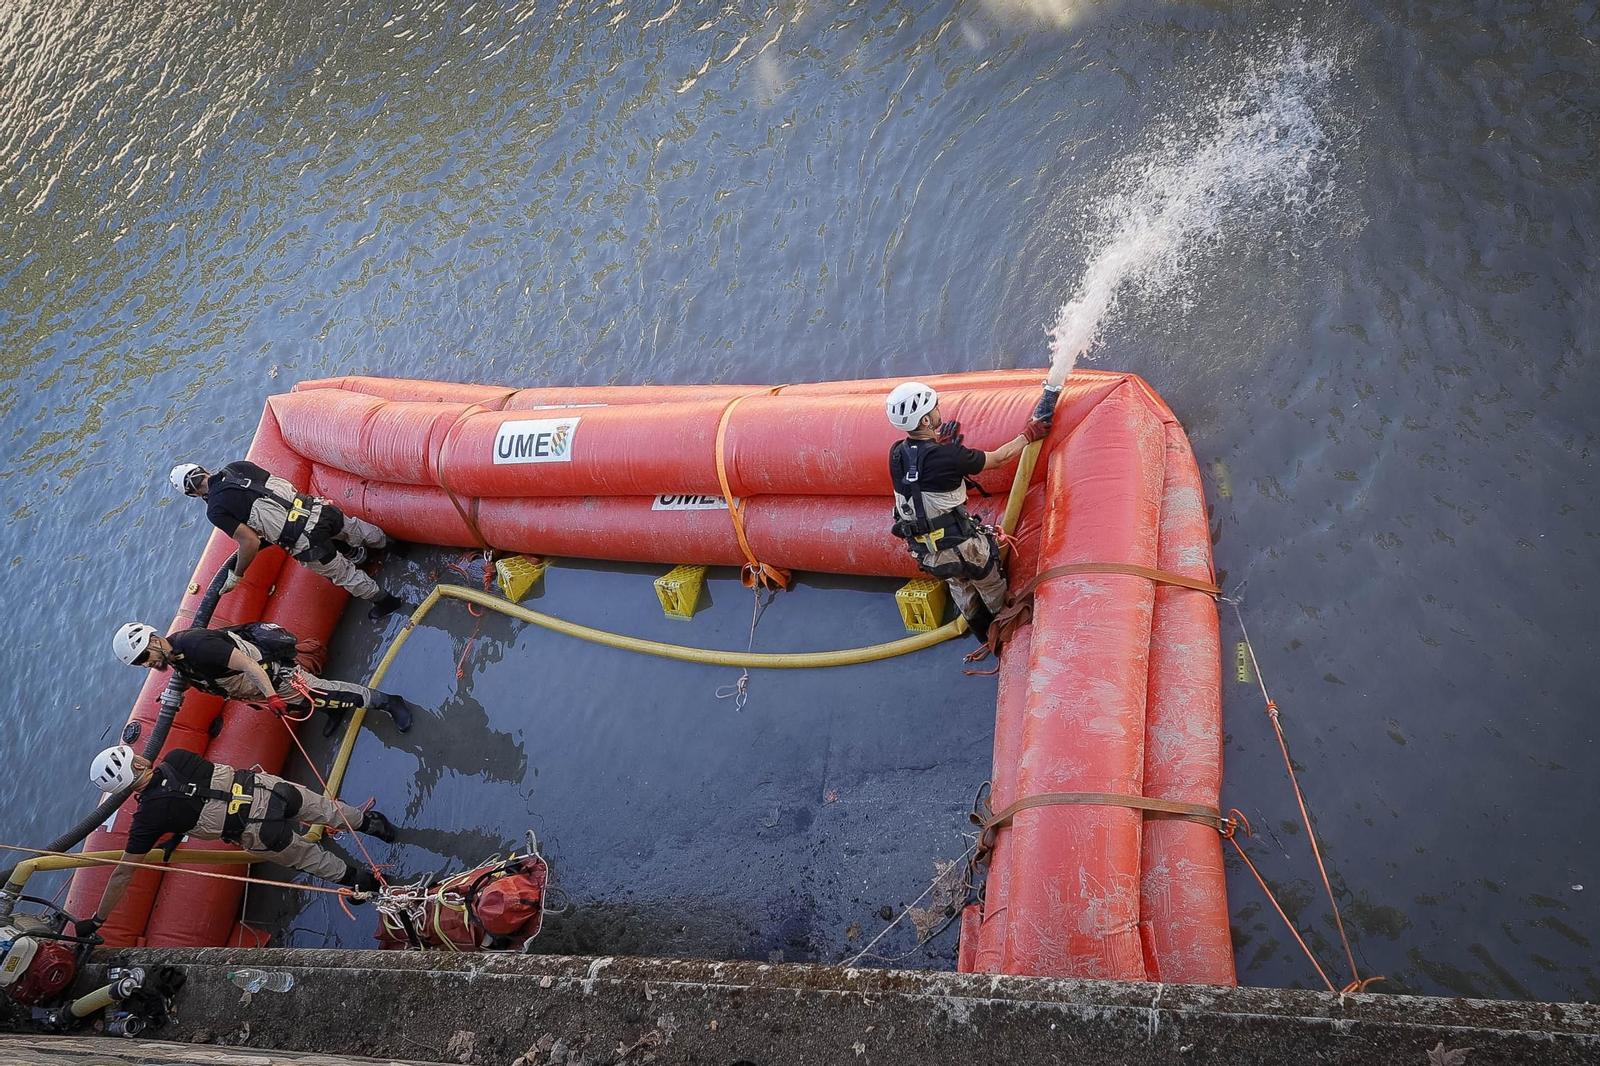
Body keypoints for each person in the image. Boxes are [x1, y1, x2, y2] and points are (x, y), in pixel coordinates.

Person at [73, 744, 394, 938]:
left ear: (125, 789)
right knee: (325, 809)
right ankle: (372, 824)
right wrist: (174, 830)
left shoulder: (147, 819)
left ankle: (362, 881)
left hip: (258, 831)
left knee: (310, 858)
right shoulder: (177, 757)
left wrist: (98, 919)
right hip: (270, 790)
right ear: (139, 763)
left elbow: (124, 872)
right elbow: (191, 792)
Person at [885, 380, 1062, 644]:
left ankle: (981, 636)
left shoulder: (896, 453)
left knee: (960, 587)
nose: (938, 409)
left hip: (928, 553)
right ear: (924, 421)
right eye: (934, 408)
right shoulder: (950, 456)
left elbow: (921, 480)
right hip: (964, 548)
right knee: (991, 585)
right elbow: (999, 458)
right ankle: (1002, 635)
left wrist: (938, 447)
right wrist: (1028, 434)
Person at [169, 460, 405, 621]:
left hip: (305, 542)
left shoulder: (216, 510)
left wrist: (236, 574)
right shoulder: (238, 468)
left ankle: (386, 602)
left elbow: (249, 542)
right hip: (317, 509)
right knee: (355, 528)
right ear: (203, 470)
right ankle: (397, 547)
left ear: (192, 494)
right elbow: (280, 488)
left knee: (345, 575)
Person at [112, 621, 417, 736]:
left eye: (144, 659)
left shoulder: (197, 646)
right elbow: (204, 676)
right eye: (140, 665)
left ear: (153, 641)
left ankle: (388, 702)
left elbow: (248, 665)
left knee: (328, 692)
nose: (147, 665)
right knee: (302, 705)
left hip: (273, 677)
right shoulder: (177, 658)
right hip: (253, 691)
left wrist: (271, 695)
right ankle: (334, 713)